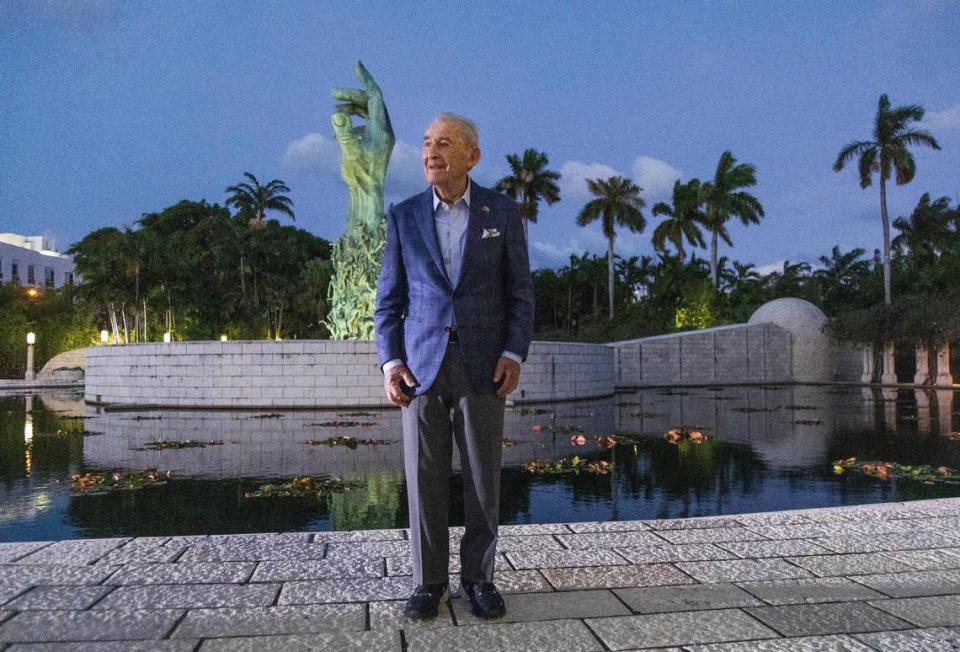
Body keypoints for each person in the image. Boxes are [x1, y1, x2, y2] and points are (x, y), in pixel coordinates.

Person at [375, 113, 534, 620]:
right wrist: (391, 361)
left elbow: (520, 293)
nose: (430, 152)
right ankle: (428, 584)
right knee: (424, 478)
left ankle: (479, 580)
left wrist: (513, 353)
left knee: (484, 478)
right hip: (421, 366)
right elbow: (389, 301)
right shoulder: (403, 216)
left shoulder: (502, 213)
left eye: (443, 143)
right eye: (425, 143)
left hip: (483, 364)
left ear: (472, 156)